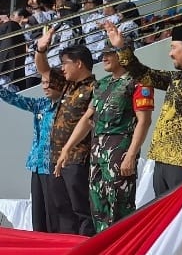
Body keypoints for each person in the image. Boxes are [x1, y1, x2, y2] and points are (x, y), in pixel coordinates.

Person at [106, 21, 182, 197]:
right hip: (161, 158)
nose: (170, 54)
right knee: (163, 213)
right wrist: (121, 47)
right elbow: (143, 74)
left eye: (173, 48)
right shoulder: (176, 78)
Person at [54, 38, 154, 232]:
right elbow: (87, 119)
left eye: (109, 54)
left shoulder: (138, 82)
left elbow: (144, 121)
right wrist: (67, 149)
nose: (104, 58)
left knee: (119, 205)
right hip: (97, 152)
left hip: (119, 151)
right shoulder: (102, 85)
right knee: (98, 205)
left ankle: (124, 251)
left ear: (123, 55)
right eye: (103, 54)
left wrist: (131, 155)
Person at [0, 54, 61, 232]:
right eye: (43, 82)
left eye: (49, 83)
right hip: (37, 165)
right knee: (38, 213)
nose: (45, 86)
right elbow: (14, 99)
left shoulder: (68, 106)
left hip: (55, 166)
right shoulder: (41, 104)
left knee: (55, 213)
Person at [35, 27, 96, 235]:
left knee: (80, 208)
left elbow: (89, 121)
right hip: (56, 157)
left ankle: (83, 249)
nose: (62, 69)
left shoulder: (95, 88)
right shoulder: (68, 85)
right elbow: (44, 71)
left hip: (78, 158)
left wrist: (68, 150)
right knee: (59, 207)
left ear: (78, 63)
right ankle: (65, 248)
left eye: (65, 63)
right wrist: (41, 50)